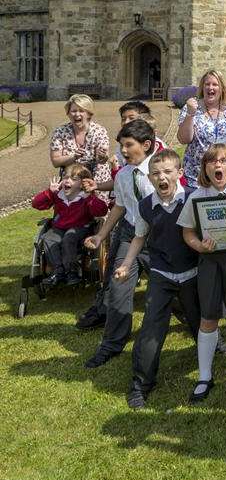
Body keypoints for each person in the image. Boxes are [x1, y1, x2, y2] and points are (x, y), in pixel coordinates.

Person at [113, 150, 201, 409]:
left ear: (179, 174)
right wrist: (127, 264)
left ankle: (213, 349)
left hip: (192, 272)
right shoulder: (145, 206)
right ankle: (141, 384)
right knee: (152, 327)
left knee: (200, 321)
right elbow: (139, 237)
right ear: (149, 178)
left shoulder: (194, 199)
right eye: (156, 174)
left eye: (167, 172)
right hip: (161, 273)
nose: (162, 178)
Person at [178, 144, 226, 402]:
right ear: (205, 168)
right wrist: (199, 245)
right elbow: (187, 231)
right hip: (211, 262)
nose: (218, 166)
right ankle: (204, 376)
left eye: (224, 160)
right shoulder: (196, 196)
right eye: (212, 162)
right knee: (209, 316)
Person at [82, 120, 157, 369]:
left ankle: (208, 336)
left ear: (146, 145)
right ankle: (112, 343)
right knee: (118, 288)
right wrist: (101, 236)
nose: (123, 151)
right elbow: (120, 207)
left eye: (128, 145)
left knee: (173, 292)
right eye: (121, 145)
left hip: (156, 240)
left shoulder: (159, 172)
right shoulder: (124, 175)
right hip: (129, 235)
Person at [31, 165, 108, 286]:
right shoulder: (58, 195)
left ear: (82, 183)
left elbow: (101, 211)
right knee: (48, 238)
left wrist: (89, 198)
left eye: (73, 178)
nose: (67, 180)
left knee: (69, 238)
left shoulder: (85, 197)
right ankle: (58, 271)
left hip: (82, 227)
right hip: (59, 227)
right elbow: (36, 204)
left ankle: (71, 271)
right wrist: (49, 192)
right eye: (65, 177)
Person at [177, 69, 226, 187]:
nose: (210, 88)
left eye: (215, 84)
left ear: (222, 87)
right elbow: (183, 139)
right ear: (202, 87)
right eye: (207, 84)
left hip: (225, 176)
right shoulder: (191, 107)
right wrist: (191, 114)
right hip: (195, 177)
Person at [49, 94, 111, 185]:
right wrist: (73, 157)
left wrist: (103, 156)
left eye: (81, 111)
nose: (77, 114)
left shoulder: (99, 131)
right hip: (70, 182)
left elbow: (100, 159)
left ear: (89, 114)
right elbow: (55, 162)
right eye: (73, 111)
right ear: (68, 113)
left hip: (96, 181)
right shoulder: (60, 132)